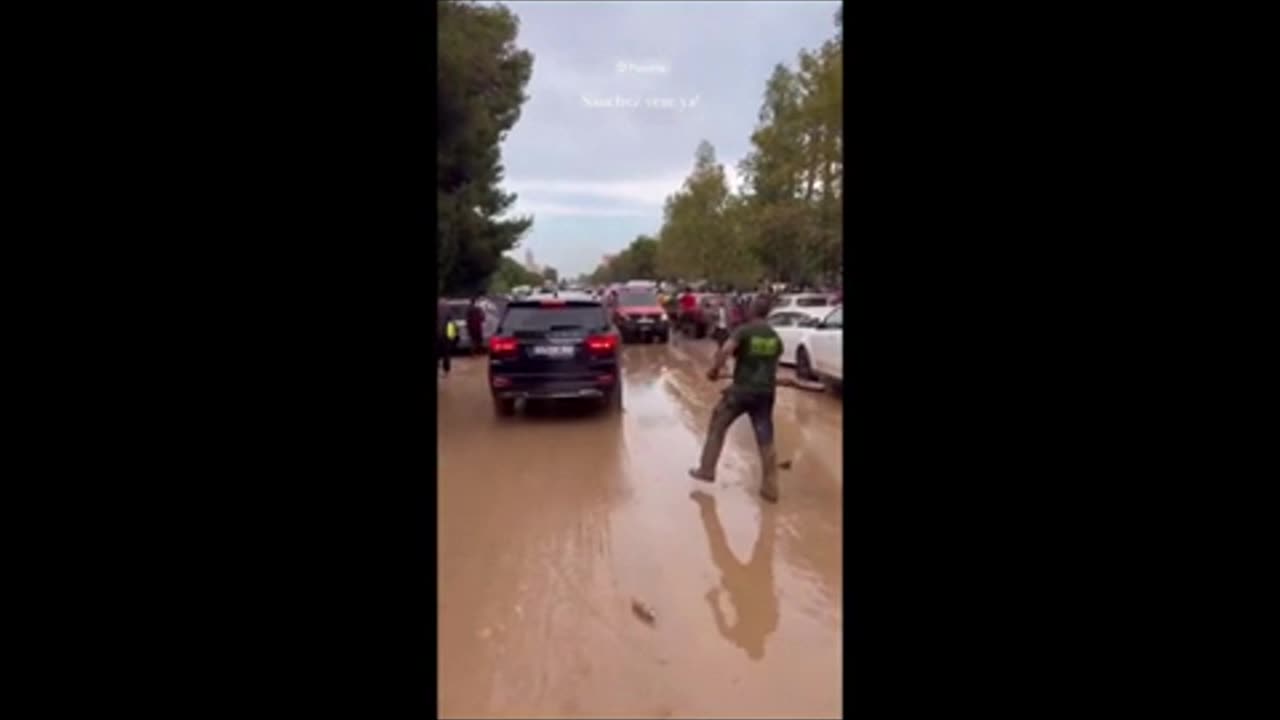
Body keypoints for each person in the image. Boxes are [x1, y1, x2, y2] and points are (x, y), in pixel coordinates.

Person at [689, 295, 792, 502]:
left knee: (718, 423)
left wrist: (714, 369)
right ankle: (771, 488)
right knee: (765, 436)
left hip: (742, 391)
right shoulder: (773, 336)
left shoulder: (744, 330)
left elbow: (726, 350)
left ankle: (707, 470)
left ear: (753, 310)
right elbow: (775, 361)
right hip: (766, 393)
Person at [436, 298, 454, 378]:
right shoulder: (448, 311)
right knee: (446, 354)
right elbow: (451, 323)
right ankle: (446, 371)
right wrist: (451, 336)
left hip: (439, 335)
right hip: (445, 336)